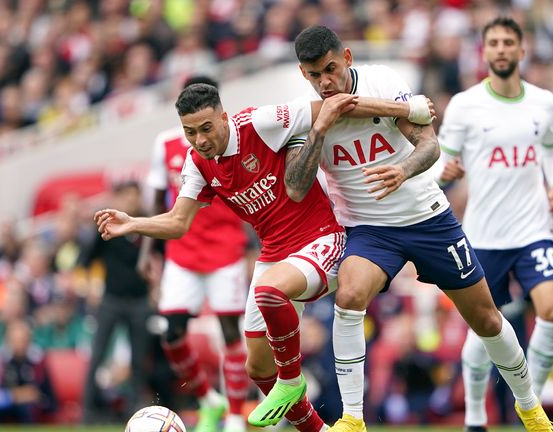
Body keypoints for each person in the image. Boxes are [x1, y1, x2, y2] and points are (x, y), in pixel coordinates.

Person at [94, 83, 434, 430]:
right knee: (258, 369)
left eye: (207, 128)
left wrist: (408, 111)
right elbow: (178, 222)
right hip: (275, 254)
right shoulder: (198, 164)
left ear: (224, 118)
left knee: (269, 294)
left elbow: (334, 105)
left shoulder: (261, 123)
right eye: (190, 132)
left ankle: (291, 380)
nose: (200, 140)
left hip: (321, 240)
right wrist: (132, 223)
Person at [289, 25, 553, 432]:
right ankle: (353, 419)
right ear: (303, 73)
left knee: (486, 319)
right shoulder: (302, 113)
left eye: (330, 69)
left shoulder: (384, 81)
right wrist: (320, 127)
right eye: (314, 75)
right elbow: (295, 186)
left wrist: (402, 170)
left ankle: (530, 407)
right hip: (368, 228)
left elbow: (429, 146)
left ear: (346, 58)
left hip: (426, 218)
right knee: (350, 294)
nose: (325, 82)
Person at [436, 17, 553, 432]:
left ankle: (533, 408)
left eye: (509, 42)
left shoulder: (544, 102)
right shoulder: (464, 105)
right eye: (493, 42)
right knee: (486, 328)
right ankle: (476, 417)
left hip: (534, 232)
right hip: (484, 237)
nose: (501, 48)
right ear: (484, 51)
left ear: (521, 50)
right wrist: (446, 171)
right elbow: (437, 161)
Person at [140, 76, 249, 432]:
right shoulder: (166, 144)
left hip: (224, 249)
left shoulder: (236, 139)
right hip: (181, 252)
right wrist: (148, 250)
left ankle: (234, 415)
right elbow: (158, 199)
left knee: (230, 333)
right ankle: (208, 400)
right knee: (172, 334)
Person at [80, 181, 152, 422]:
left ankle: (136, 410)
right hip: (111, 299)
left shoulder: (147, 226)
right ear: (118, 199)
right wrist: (91, 285)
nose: (132, 200)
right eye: (127, 196)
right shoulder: (107, 227)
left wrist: (157, 285)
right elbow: (87, 259)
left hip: (140, 300)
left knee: (138, 358)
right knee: (98, 354)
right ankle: (88, 409)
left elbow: (161, 256)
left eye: (135, 195)